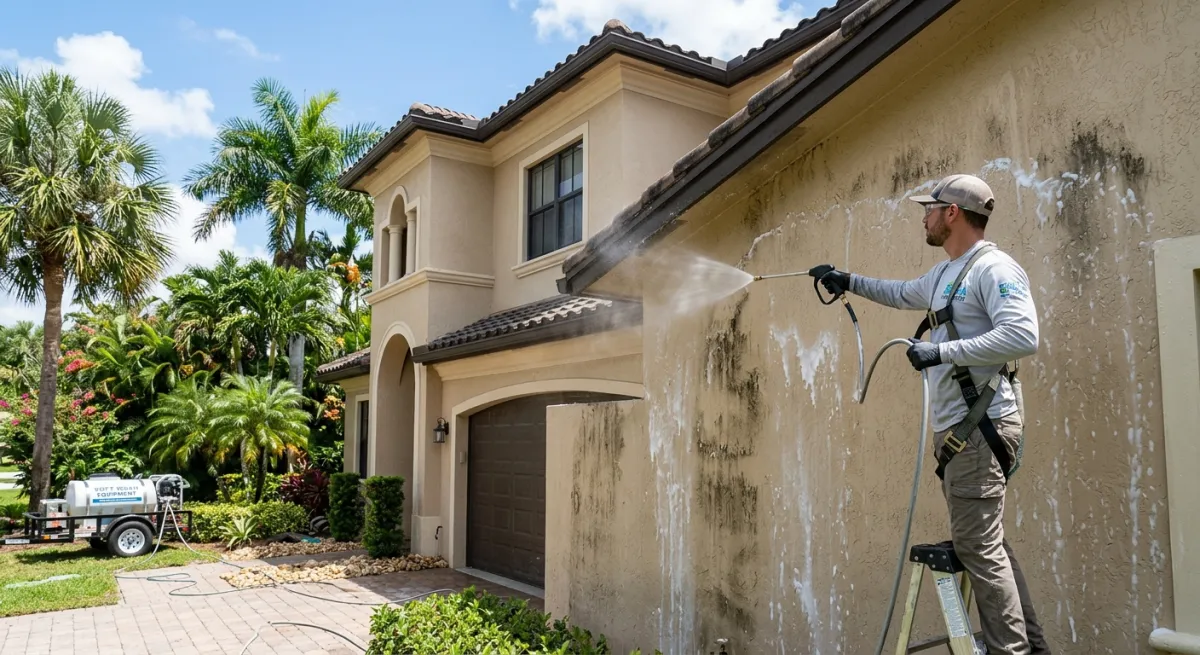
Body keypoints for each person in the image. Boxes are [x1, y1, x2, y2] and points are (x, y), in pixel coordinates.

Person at [810, 174, 1051, 654]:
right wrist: (848, 280)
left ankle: (1012, 651)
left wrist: (940, 353)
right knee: (987, 544)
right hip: (963, 433)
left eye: (930, 209)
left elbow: (1023, 336)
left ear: (953, 213)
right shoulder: (946, 274)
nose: (924, 217)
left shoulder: (993, 268)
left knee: (979, 548)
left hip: (979, 428)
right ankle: (1033, 648)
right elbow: (902, 293)